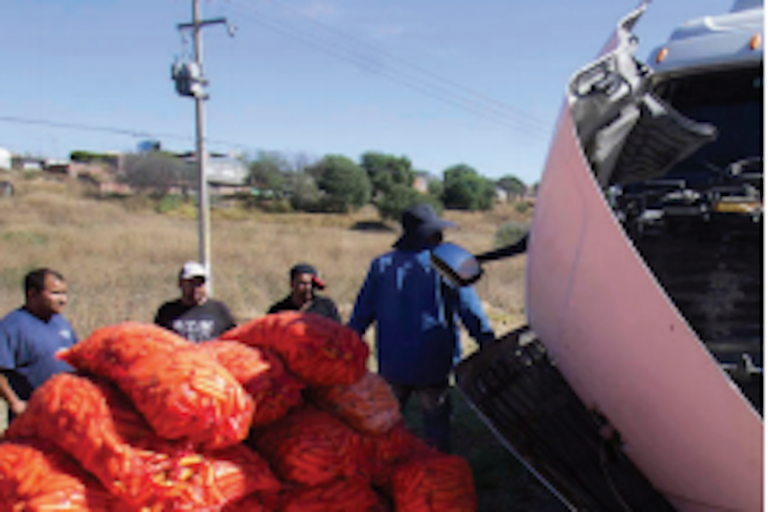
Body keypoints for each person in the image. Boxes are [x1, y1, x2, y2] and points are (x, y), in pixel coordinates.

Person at [348, 203, 496, 453]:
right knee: (435, 423)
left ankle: (387, 472)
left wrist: (346, 347)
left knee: (388, 424)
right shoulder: (447, 265)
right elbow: (470, 311)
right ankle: (435, 475)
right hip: (433, 362)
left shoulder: (381, 266)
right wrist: (489, 345)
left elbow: (362, 314)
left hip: (393, 362)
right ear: (430, 235)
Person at [0, 268, 78, 420]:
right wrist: (14, 403)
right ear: (32, 294)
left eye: (64, 293)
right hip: (32, 417)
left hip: (65, 413)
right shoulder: (11, 327)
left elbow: (76, 357)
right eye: (55, 293)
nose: (63, 300)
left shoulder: (61, 323)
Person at [154, 261, 236, 342]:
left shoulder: (219, 310)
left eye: (200, 283)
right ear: (181, 284)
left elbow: (233, 341)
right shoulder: (167, 311)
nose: (196, 288)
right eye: (191, 283)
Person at [267, 263, 341, 322]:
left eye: (311, 284)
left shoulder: (326, 307)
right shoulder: (278, 311)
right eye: (303, 284)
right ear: (292, 284)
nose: (308, 288)